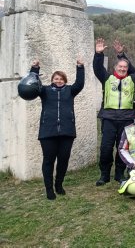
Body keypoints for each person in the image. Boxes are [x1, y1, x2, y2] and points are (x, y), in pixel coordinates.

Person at [93, 38, 135, 186]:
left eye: (125, 67)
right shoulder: (107, 78)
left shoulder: (132, 79)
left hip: (126, 118)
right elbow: (98, 69)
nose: (123, 69)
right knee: (106, 147)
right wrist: (98, 54)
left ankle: (119, 173)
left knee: (122, 148)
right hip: (109, 118)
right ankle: (104, 174)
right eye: (120, 66)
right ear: (115, 68)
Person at [29, 58, 85, 200]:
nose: (58, 80)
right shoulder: (45, 91)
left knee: (63, 159)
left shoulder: (70, 91)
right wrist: (35, 69)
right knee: (48, 160)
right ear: (52, 80)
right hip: (48, 132)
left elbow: (80, 83)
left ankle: (59, 185)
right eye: (55, 78)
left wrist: (80, 66)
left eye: (61, 79)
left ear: (65, 81)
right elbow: (33, 85)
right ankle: (49, 189)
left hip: (67, 131)